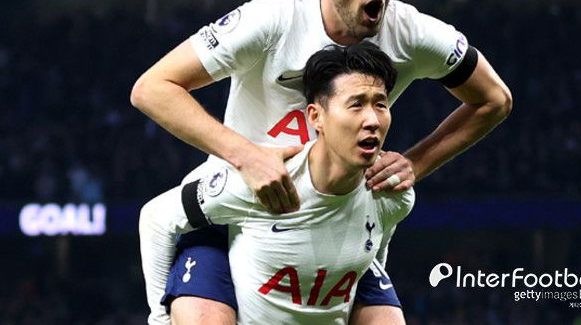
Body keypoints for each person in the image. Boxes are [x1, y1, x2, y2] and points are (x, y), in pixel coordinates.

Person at [131, 0, 512, 325]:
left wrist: (415, 164)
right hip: (239, 207)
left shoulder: (413, 33)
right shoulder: (271, 21)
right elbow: (152, 88)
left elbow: (494, 100)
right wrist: (246, 156)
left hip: (336, 214)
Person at [141, 42, 415, 325]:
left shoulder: (392, 193)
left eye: (380, 104)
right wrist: (160, 321)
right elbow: (156, 218)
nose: (372, 120)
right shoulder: (267, 182)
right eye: (356, 104)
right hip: (221, 248)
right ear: (316, 117)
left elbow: (376, 241)